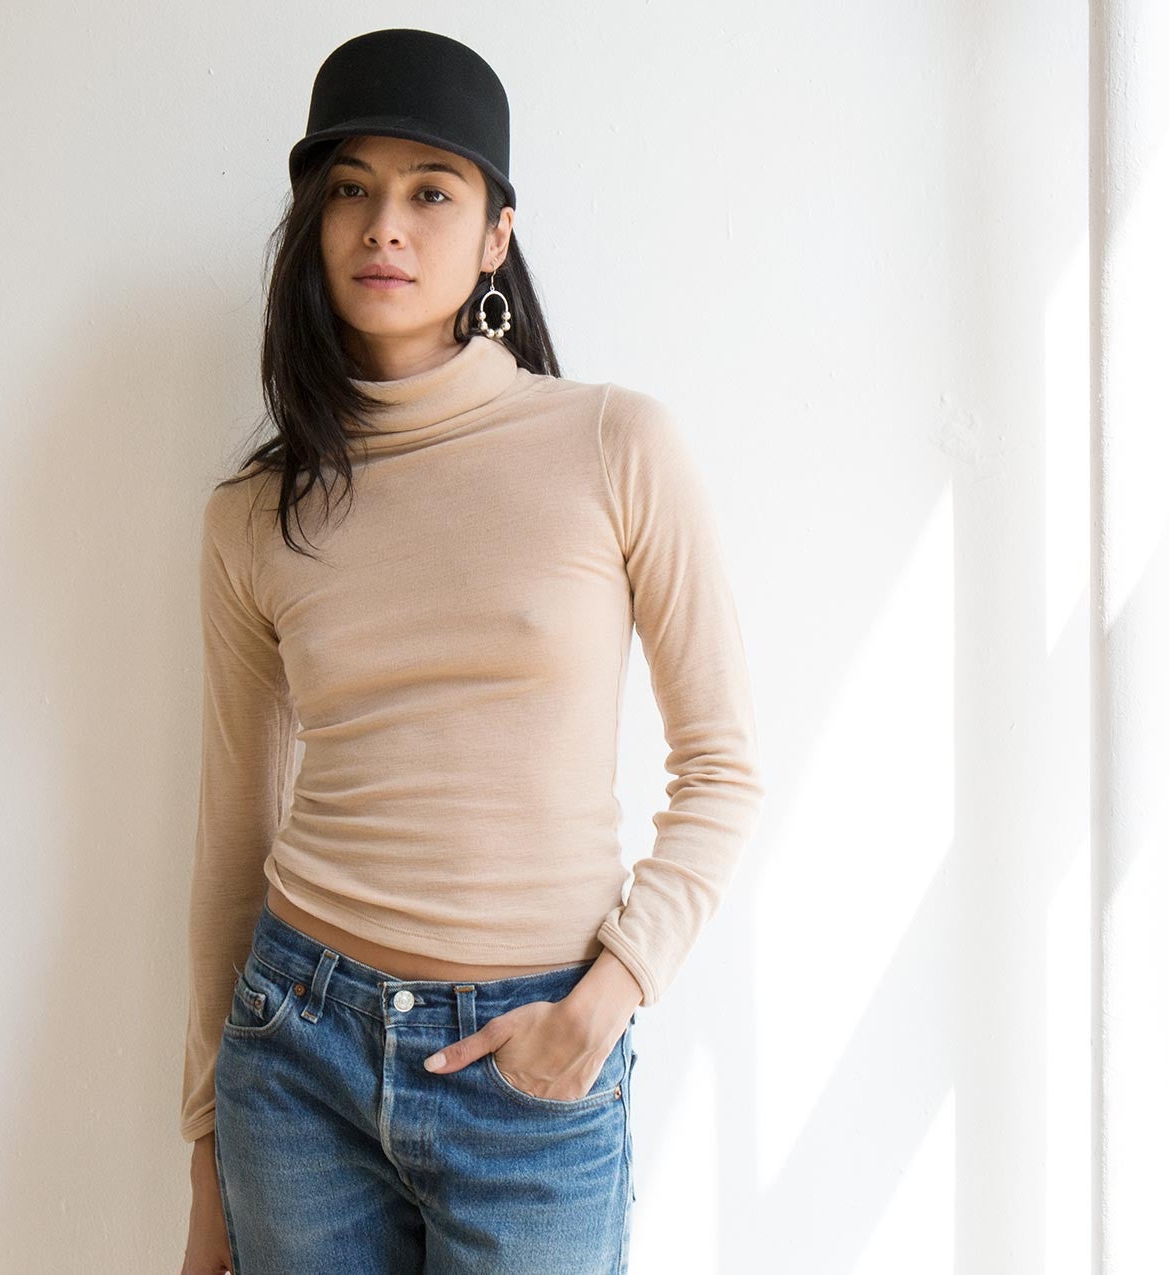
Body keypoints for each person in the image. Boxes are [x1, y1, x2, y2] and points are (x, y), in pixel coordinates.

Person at [179, 27, 764, 1275]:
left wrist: (603, 1003)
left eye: (430, 192)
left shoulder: (613, 446)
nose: (384, 226)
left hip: (532, 1067)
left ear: (496, 234)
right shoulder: (252, 516)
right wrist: (202, 1148)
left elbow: (722, 769)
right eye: (350, 189)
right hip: (294, 1054)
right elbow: (233, 830)